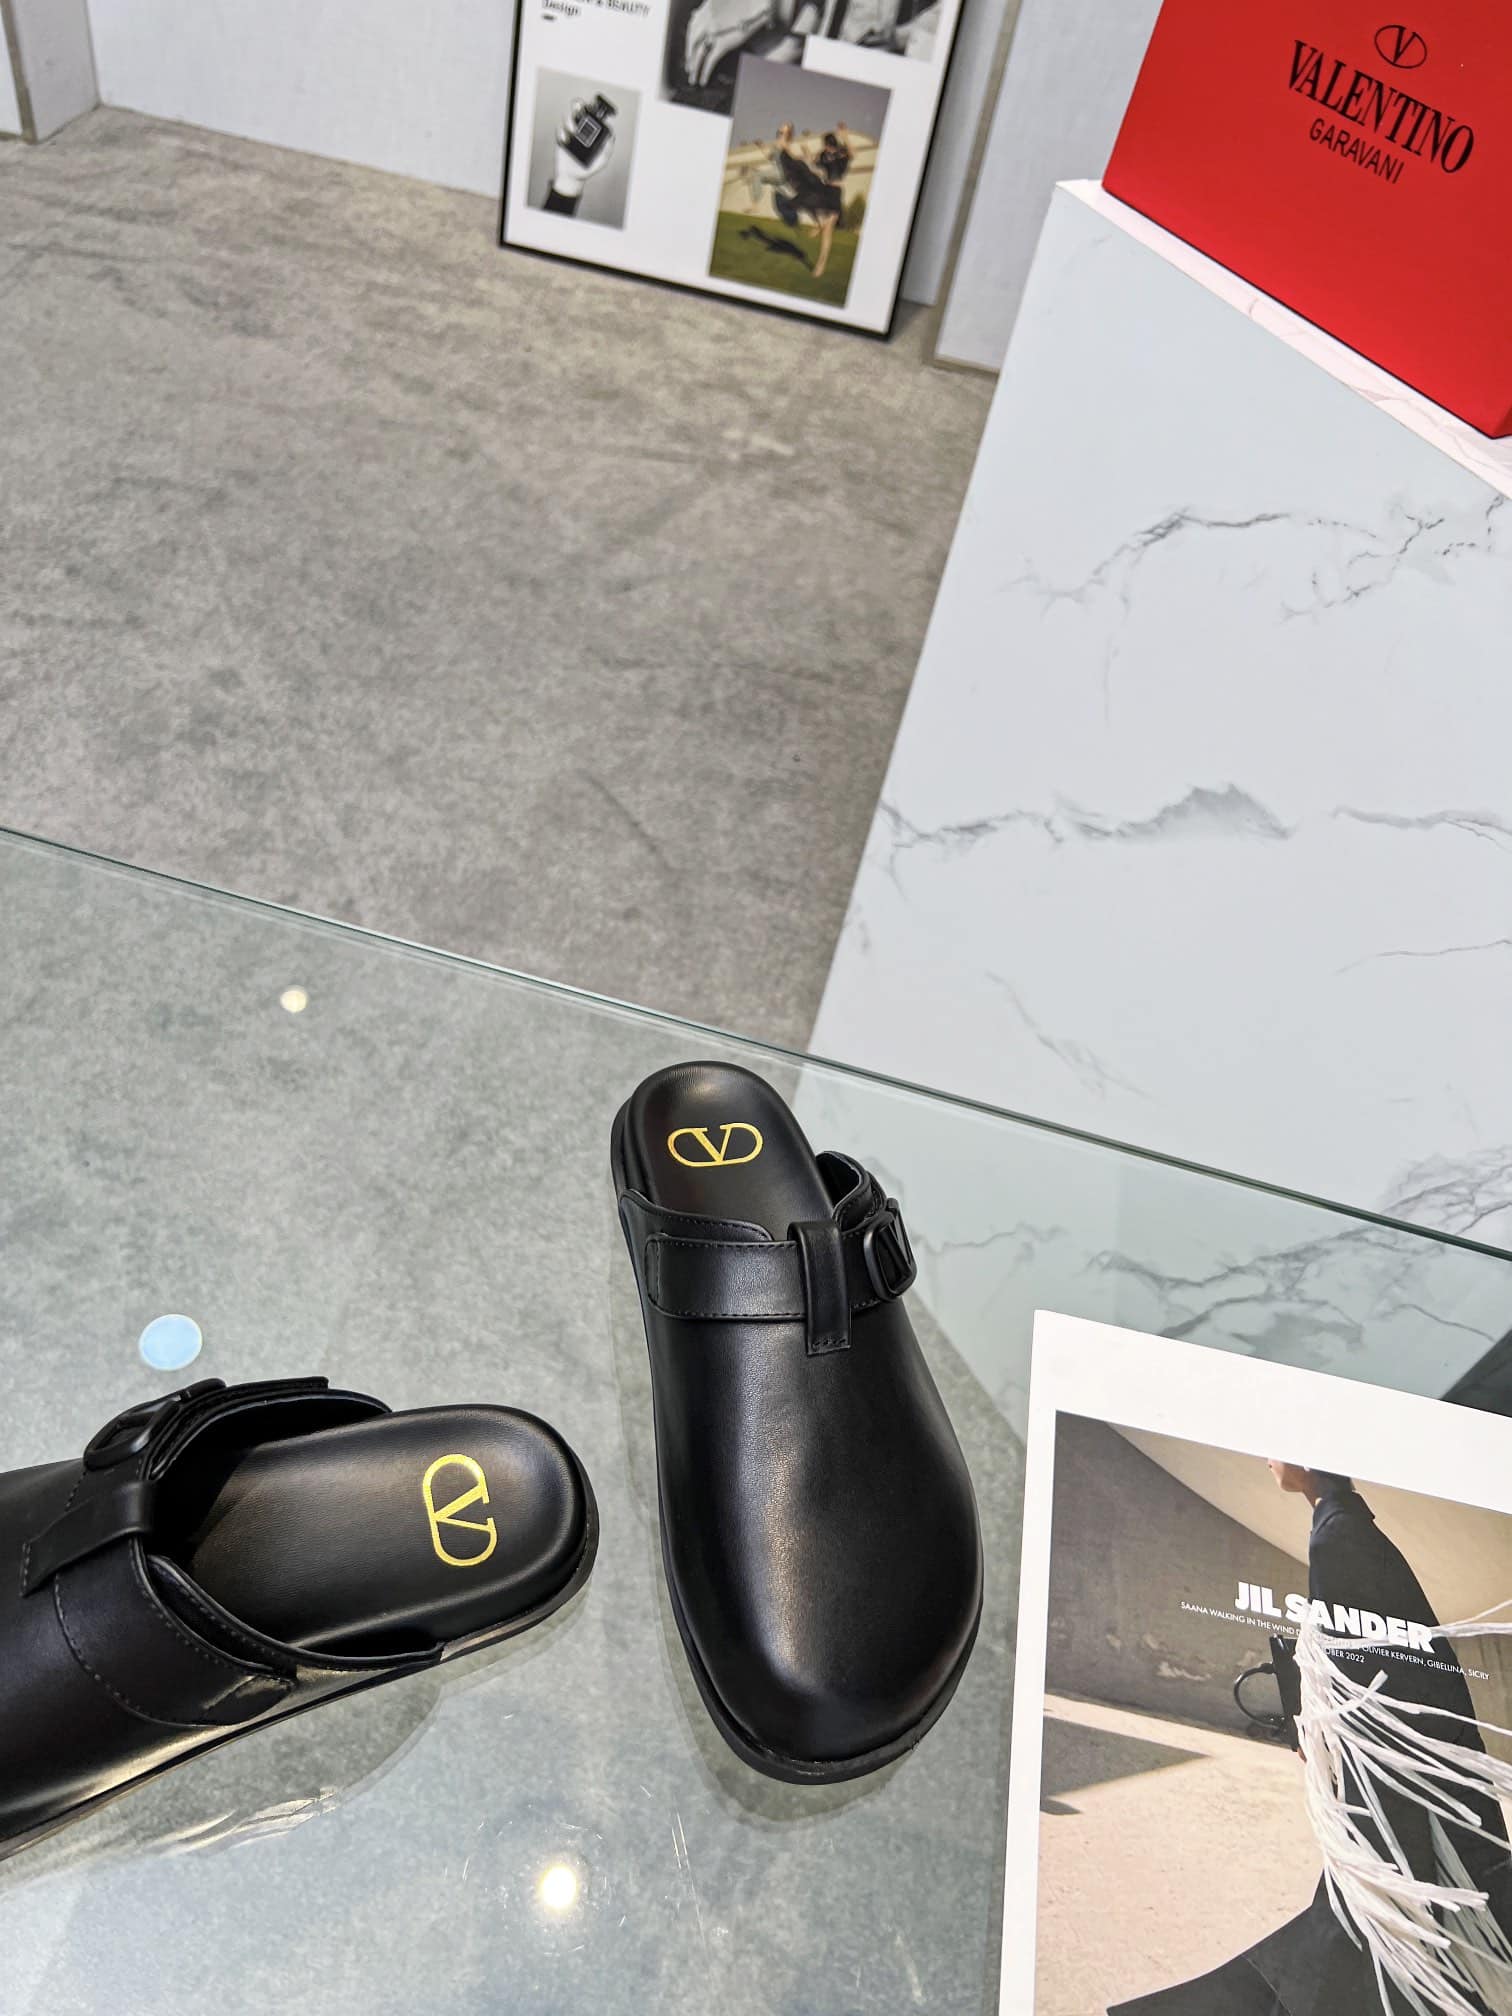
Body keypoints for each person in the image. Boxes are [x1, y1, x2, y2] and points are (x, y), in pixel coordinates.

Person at [1110, 1465, 1512, 2014]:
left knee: (1365, 1946)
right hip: (1389, 1793)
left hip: (1388, 1799)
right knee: (1356, 1944)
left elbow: (1388, 1683)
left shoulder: (1338, 1541)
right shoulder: (1346, 1529)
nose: (1267, 1460)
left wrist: (1346, 1771)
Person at [769, 121, 842, 279]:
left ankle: (821, 262)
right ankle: (819, 224)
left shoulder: (840, 156)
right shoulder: (783, 149)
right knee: (806, 202)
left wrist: (808, 158)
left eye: (783, 133)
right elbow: (793, 158)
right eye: (779, 132)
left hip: (822, 187)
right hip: (809, 185)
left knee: (827, 225)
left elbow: (809, 163)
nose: (780, 135)